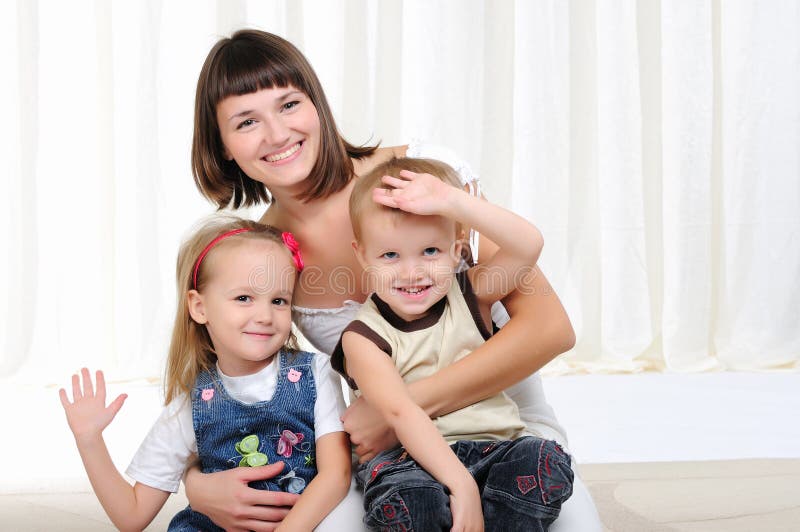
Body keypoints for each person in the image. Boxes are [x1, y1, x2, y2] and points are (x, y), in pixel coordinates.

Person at [184, 28, 602, 532]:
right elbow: (233, 380)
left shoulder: (425, 180)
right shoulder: (263, 252)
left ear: (316, 104)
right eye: (247, 121)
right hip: (387, 457)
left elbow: (551, 328)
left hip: (506, 425)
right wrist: (193, 479)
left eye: (289, 104)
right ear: (223, 145)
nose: (276, 134)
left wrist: (394, 411)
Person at [59, 217, 351, 531]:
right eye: (244, 298)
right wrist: (89, 441)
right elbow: (132, 516)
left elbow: (336, 476)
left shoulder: (315, 373)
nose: (265, 316)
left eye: (278, 300)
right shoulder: (193, 402)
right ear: (199, 307)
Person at [331, 156, 574, 531]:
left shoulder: (470, 295)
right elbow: (399, 413)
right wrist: (461, 484)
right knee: (412, 502)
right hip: (409, 462)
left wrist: (453, 201)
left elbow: (528, 244)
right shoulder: (363, 338)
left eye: (430, 251)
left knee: (542, 460)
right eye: (390, 255)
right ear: (362, 255)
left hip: (495, 446)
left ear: (457, 251)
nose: (412, 272)